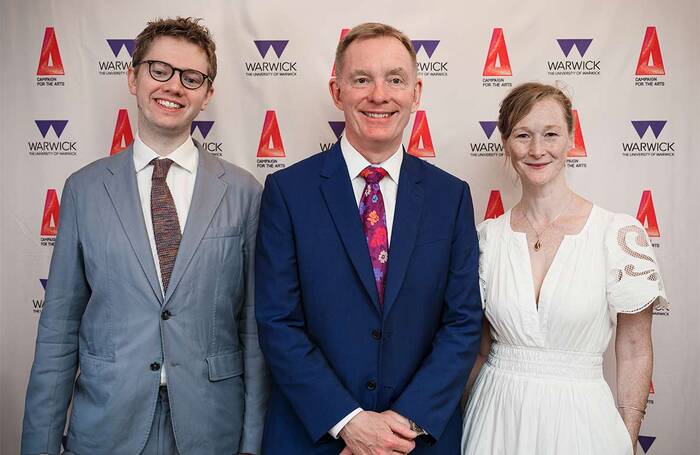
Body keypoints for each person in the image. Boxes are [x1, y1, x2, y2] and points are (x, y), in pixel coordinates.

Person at [21, 17, 268, 455]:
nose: (174, 86)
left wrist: (252, 444)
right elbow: (58, 330)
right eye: (160, 70)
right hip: (106, 426)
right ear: (133, 77)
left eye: (191, 77)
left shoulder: (245, 192)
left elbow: (252, 331)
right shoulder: (84, 189)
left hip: (212, 428)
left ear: (208, 93)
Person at [255, 22, 483, 454]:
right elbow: (278, 322)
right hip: (315, 436)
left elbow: (462, 323)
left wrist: (399, 426)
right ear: (337, 90)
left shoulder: (451, 198)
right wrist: (349, 423)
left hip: (418, 440)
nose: (379, 95)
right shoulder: (287, 192)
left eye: (395, 79)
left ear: (416, 91)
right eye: (362, 79)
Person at [461, 82, 667, 455]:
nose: (537, 150)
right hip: (496, 417)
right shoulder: (486, 240)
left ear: (571, 138)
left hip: (582, 421)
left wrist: (627, 437)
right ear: (506, 144)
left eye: (551, 134)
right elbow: (479, 348)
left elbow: (636, 348)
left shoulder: (617, 235)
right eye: (523, 135)